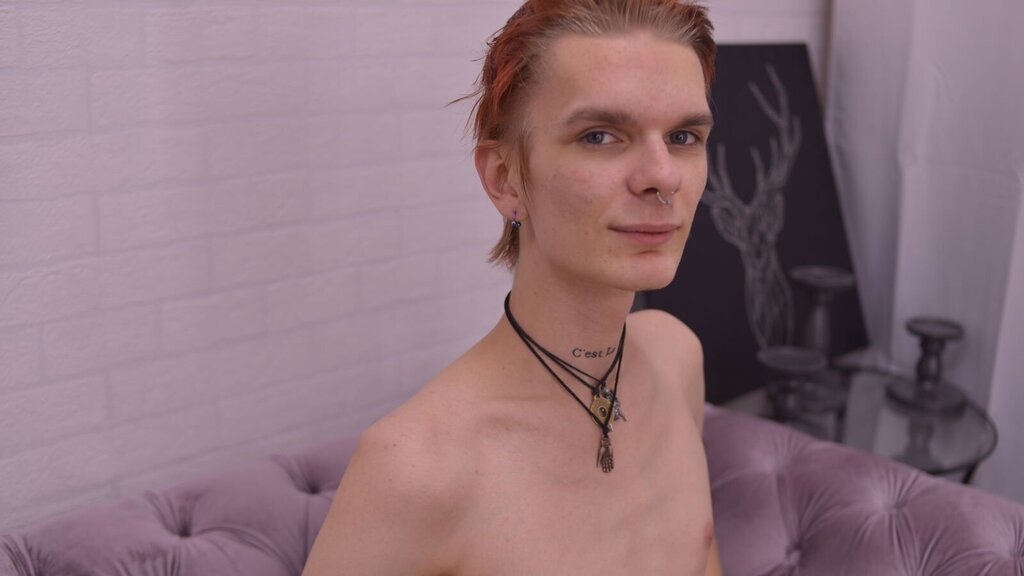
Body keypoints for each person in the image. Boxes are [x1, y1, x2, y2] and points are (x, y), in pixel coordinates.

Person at [303, 1, 722, 574]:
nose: (664, 176)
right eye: (600, 136)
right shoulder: (415, 468)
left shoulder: (677, 357)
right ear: (505, 180)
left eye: (683, 136)